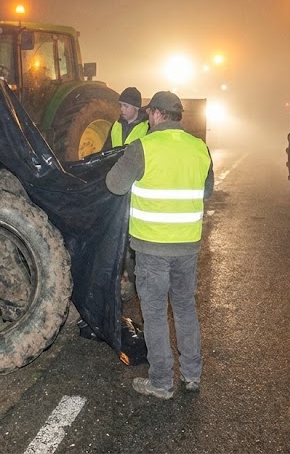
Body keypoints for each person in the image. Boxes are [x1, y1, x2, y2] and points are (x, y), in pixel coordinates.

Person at [105, 90, 214, 399]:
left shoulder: (144, 147)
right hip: (187, 247)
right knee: (184, 308)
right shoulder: (200, 148)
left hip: (152, 248)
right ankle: (192, 376)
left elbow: (114, 185)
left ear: (154, 113)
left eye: (149, 114)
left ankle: (161, 382)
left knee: (153, 313)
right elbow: (207, 191)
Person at [103, 87, 149, 151]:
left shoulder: (147, 127)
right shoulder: (116, 125)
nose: (122, 109)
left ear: (136, 107)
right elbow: (106, 151)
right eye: (121, 105)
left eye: (126, 106)